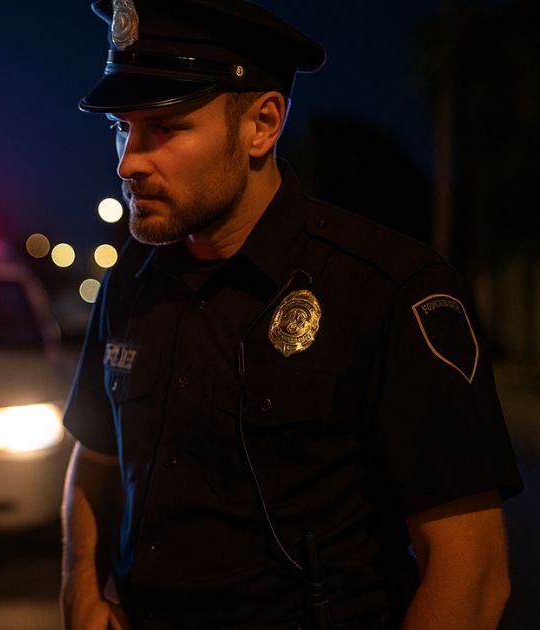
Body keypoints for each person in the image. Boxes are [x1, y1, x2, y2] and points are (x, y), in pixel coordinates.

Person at [61, 1, 523, 628]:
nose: (128, 161)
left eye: (164, 129)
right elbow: (94, 460)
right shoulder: (131, 284)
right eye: (122, 127)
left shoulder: (387, 290)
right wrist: (81, 592)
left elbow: (471, 574)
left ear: (263, 124)